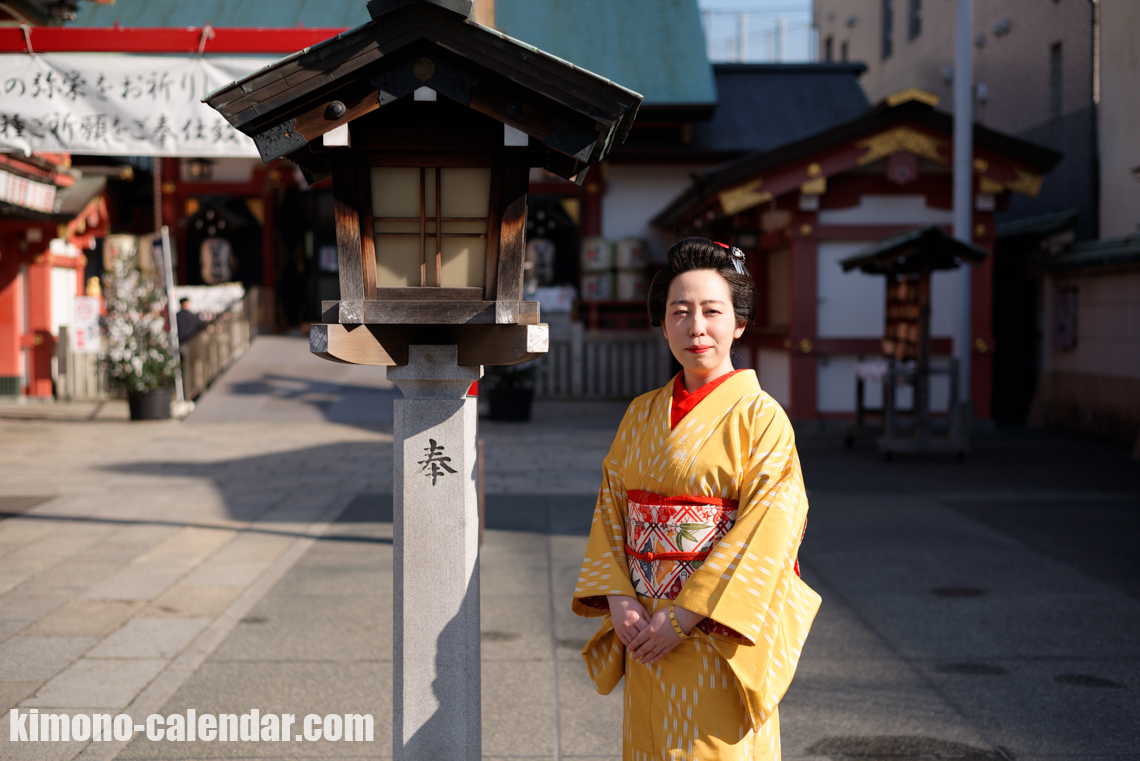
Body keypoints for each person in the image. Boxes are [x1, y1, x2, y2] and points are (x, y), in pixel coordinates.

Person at [572, 238, 820, 760]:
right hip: (642, 625)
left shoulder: (761, 417)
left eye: (712, 311)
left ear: (740, 323)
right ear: (662, 324)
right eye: (679, 312)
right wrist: (619, 597)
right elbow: (610, 508)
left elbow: (770, 526)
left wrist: (686, 615)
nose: (696, 327)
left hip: (713, 630)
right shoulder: (641, 413)